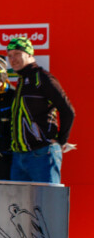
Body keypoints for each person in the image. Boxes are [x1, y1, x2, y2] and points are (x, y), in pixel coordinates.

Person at [7, 37, 75, 183]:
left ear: (30, 54)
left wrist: (61, 140)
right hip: (19, 156)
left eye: (17, 53)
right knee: (18, 205)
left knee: (47, 204)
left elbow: (67, 111)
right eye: (10, 55)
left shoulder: (42, 78)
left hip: (42, 155)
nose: (13, 59)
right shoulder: (21, 81)